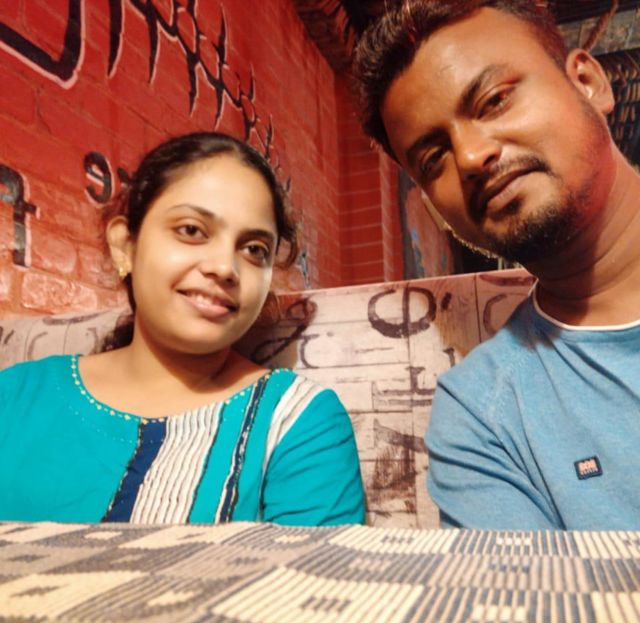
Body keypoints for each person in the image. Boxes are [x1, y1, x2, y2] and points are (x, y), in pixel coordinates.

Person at [354, 0, 640, 529]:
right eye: (434, 158)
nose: (469, 156)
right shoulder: (481, 417)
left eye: (494, 100)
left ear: (587, 82)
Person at [0, 132, 365, 526]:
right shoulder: (15, 395)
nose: (224, 267)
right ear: (125, 246)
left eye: (254, 249)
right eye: (191, 230)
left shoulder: (296, 422)